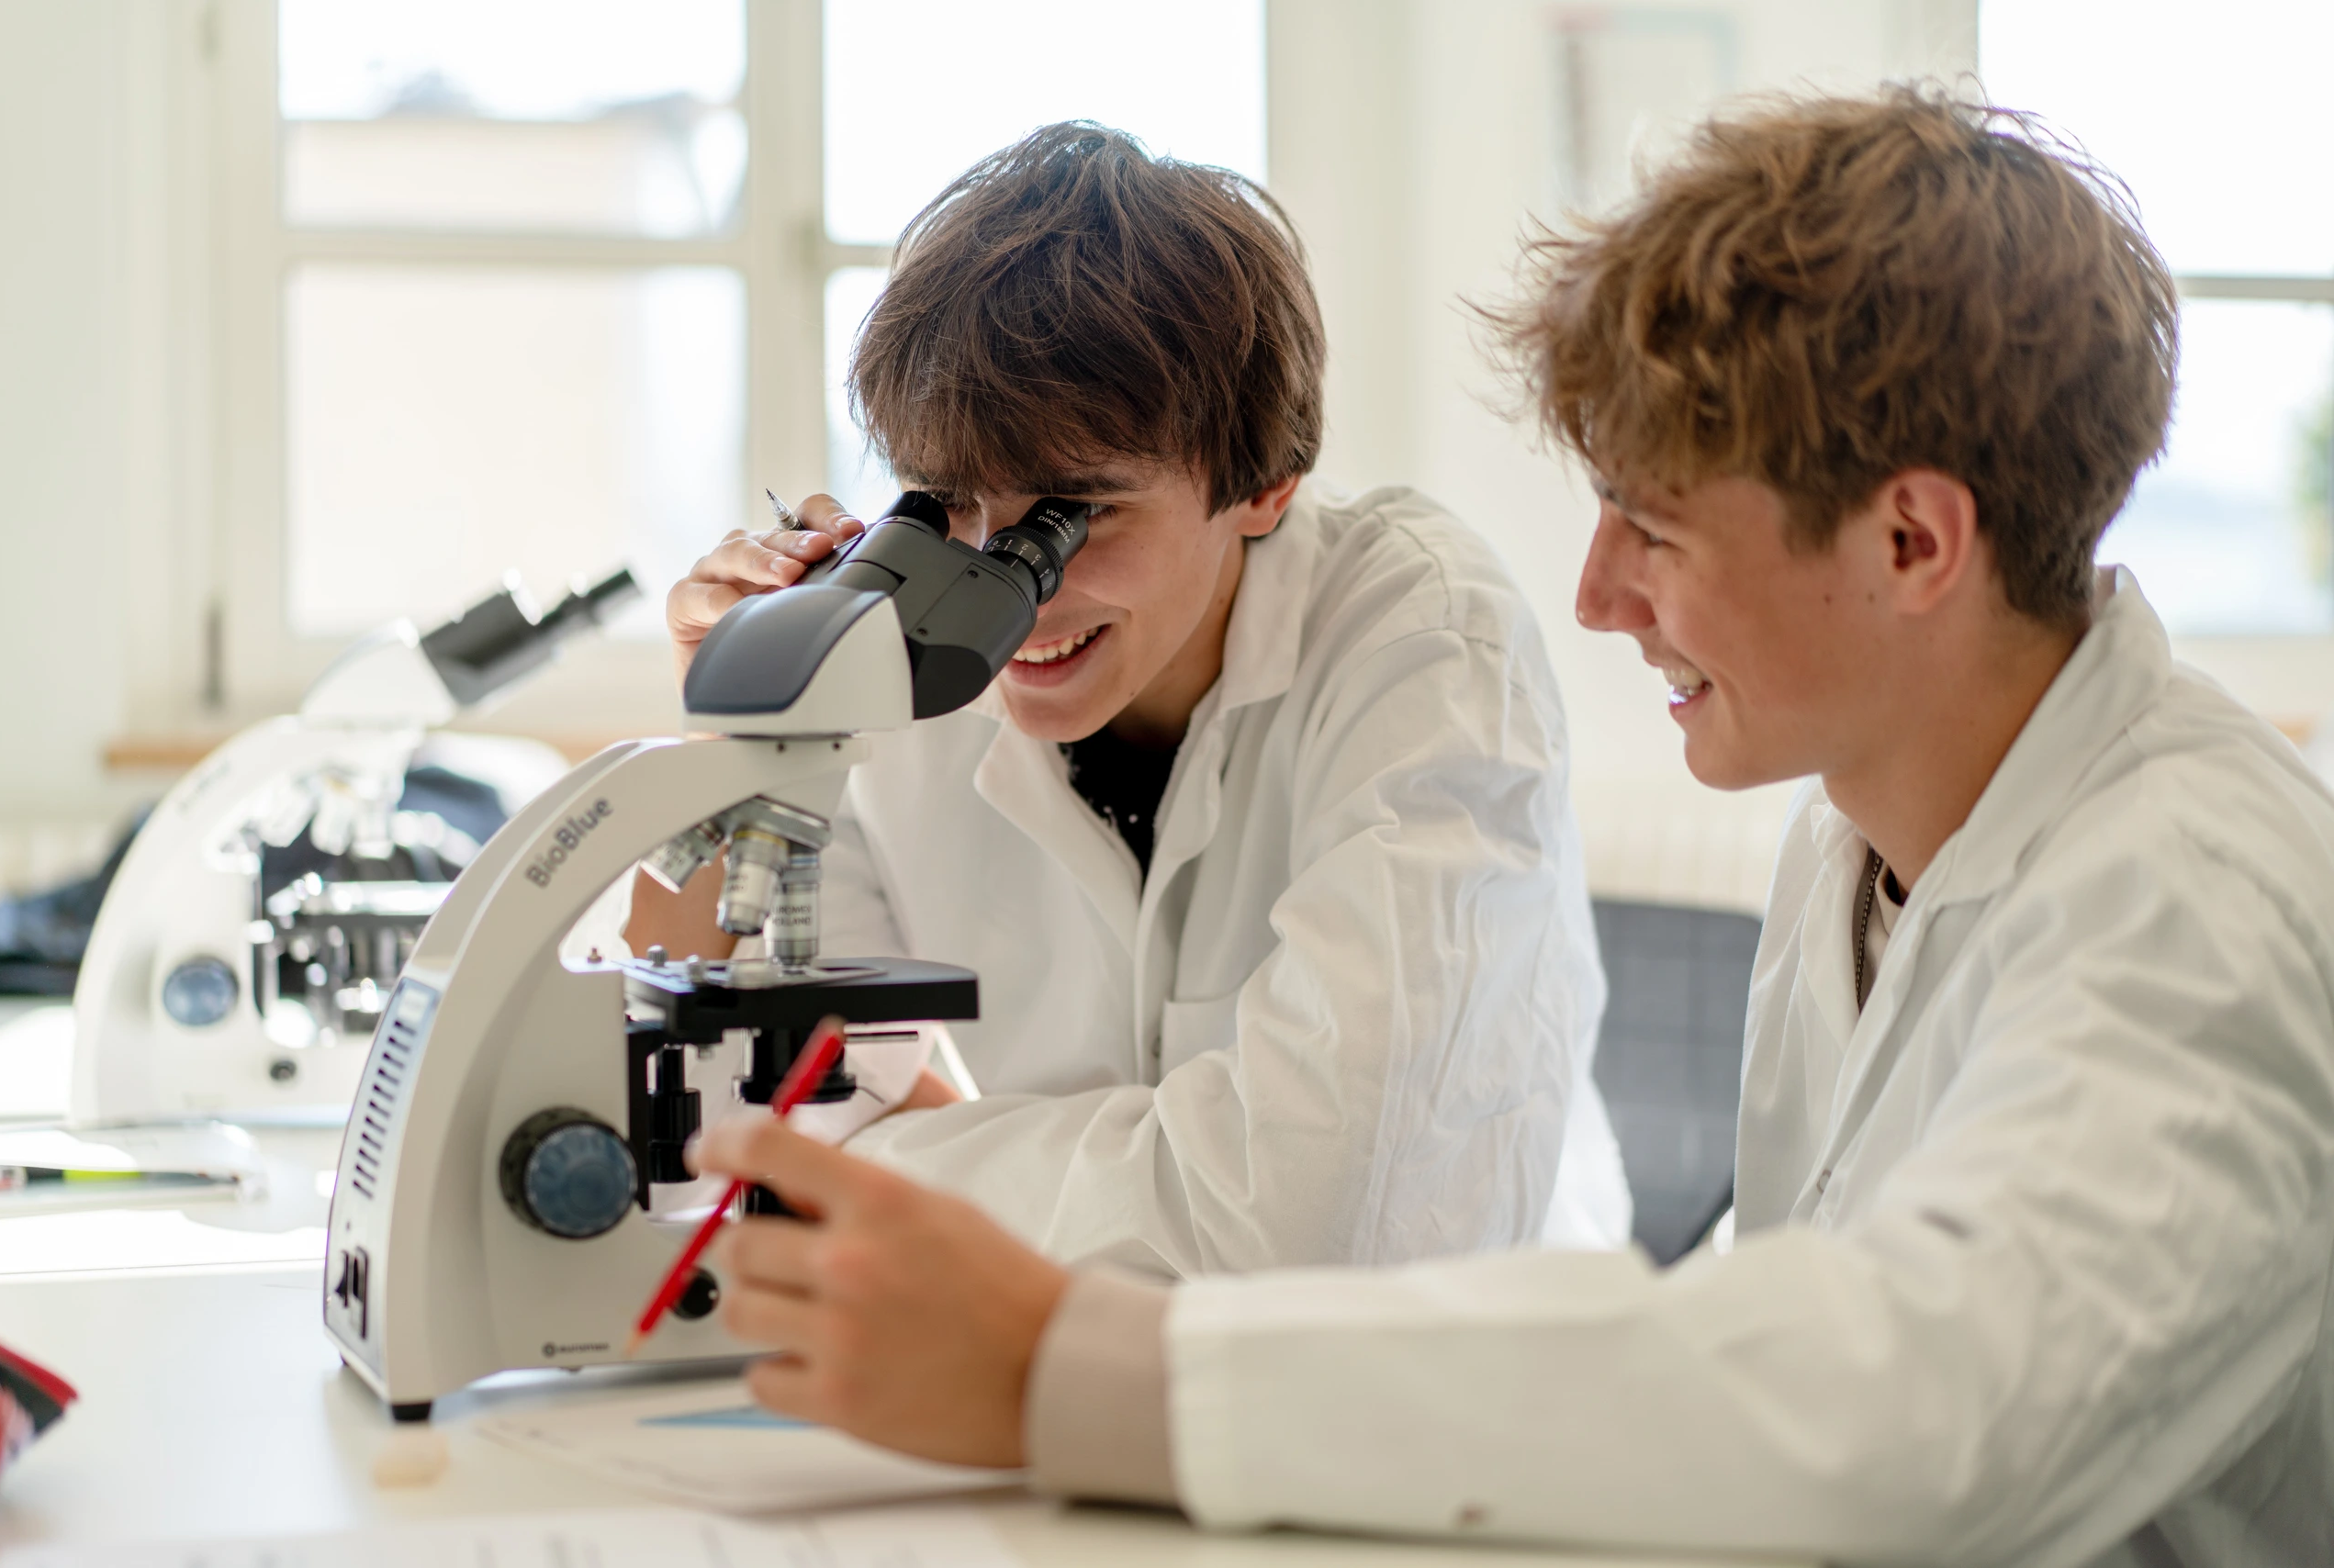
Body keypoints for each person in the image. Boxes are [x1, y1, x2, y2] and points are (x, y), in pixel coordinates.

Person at [684, 88, 2334, 1566]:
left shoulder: (2192, 897)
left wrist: (1067, 1367)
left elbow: (1909, 1407)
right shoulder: (1870, 830)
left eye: (1658, 529)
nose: (1598, 597)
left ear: (1912, 540)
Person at [644, 121, 1632, 1274]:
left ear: (1263, 486)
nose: (1005, 589)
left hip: (1427, 1397)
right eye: (951, 502)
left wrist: (902, 1177)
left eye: (1076, 514)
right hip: (1049, 1375)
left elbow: (1324, 1230)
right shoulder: (900, 644)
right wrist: (744, 733)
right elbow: (770, 1111)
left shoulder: (1419, 636)